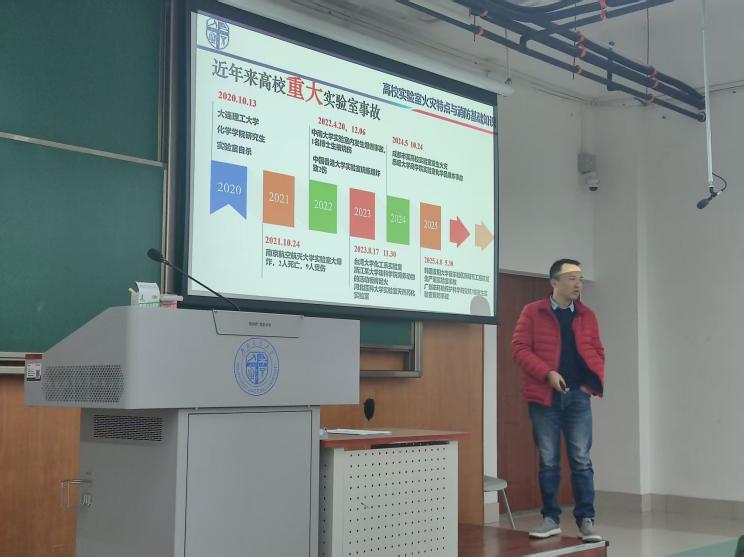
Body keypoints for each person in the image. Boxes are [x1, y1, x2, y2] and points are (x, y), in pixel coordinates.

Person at [511, 259, 605, 543]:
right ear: (554, 283)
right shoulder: (532, 312)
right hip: (544, 397)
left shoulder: (587, 315)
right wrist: (547, 373)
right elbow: (519, 349)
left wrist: (589, 386)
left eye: (580, 279)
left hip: (578, 397)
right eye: (572, 278)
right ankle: (550, 519)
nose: (578, 284)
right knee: (549, 460)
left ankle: (586, 521)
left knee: (581, 460)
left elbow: (598, 351)